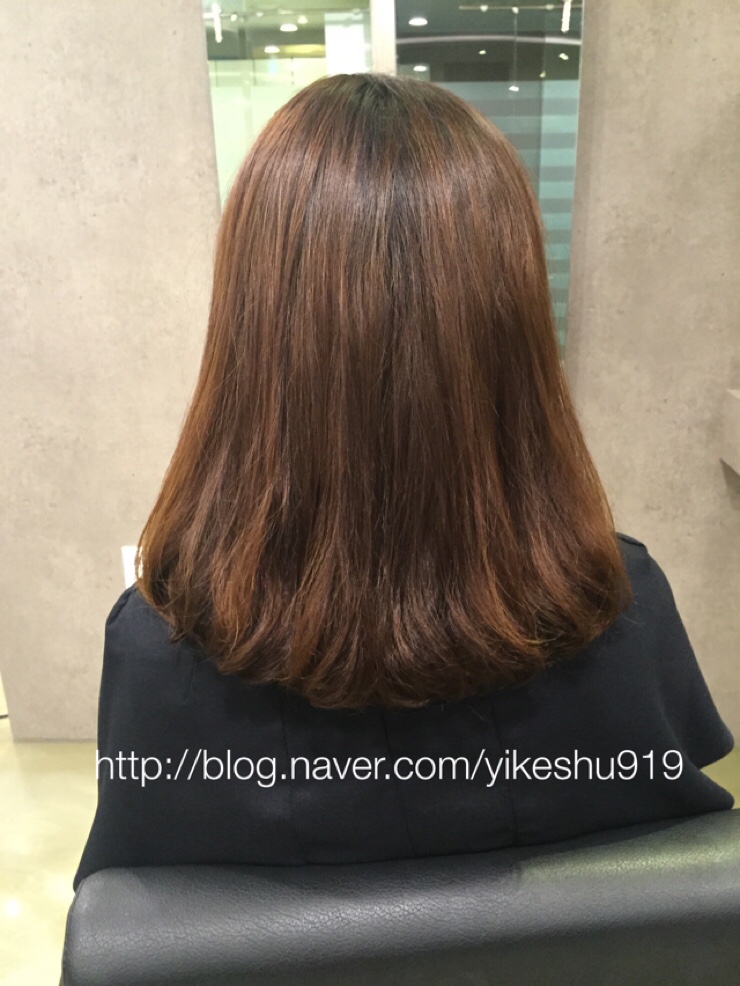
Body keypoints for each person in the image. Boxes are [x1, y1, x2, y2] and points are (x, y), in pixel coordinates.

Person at [73, 73, 733, 889]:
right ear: (513, 326)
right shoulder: (623, 606)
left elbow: (137, 922)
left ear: (253, 330)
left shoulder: (157, 656)